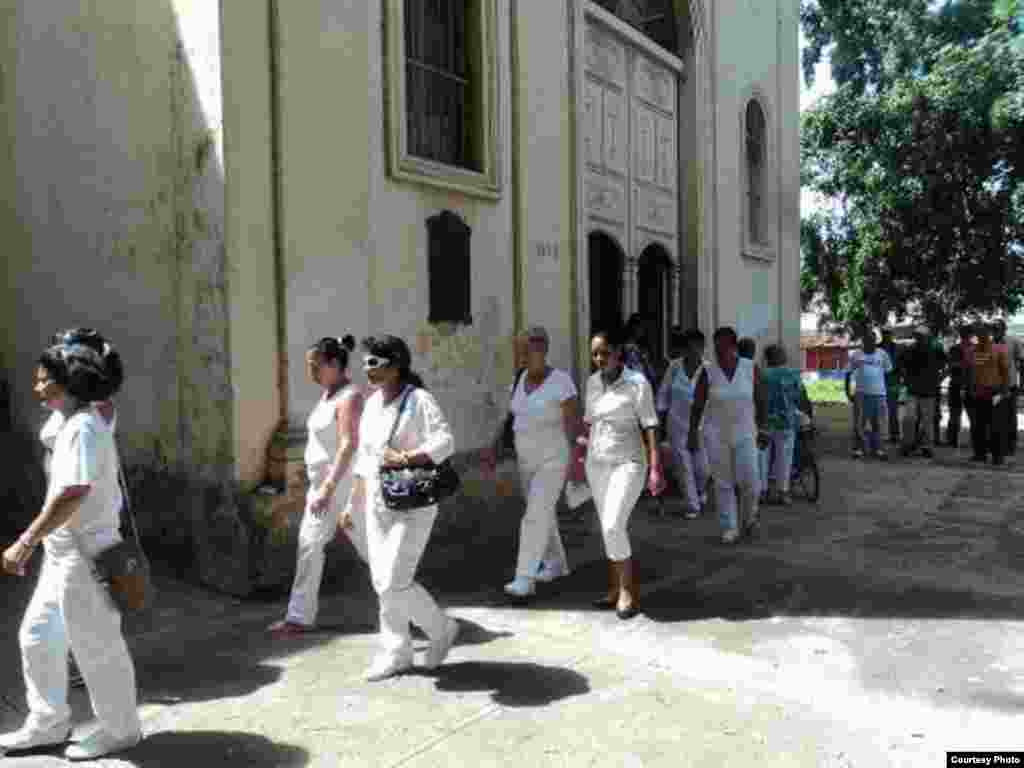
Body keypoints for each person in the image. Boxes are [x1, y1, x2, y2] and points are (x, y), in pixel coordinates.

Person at [1, 342, 142, 761]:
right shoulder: (73, 420)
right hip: (63, 553)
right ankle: (48, 724)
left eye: (45, 378)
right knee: (37, 637)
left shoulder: (83, 426)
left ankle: (122, 730)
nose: (37, 385)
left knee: (96, 647)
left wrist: (24, 542)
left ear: (68, 383)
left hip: (87, 556)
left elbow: (73, 492)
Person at [347, 335, 459, 680]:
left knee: (395, 579)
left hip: (413, 502)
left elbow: (444, 441)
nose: (368, 370)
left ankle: (440, 629)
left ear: (396, 366)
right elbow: (365, 458)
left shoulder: (418, 400)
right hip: (379, 502)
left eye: (375, 363)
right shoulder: (372, 405)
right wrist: (354, 502)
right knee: (382, 581)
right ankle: (397, 652)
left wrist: (407, 457)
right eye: (365, 363)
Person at [269, 336, 365, 636]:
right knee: (309, 547)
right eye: (309, 365)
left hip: (344, 487)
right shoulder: (327, 396)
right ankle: (299, 617)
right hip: (321, 488)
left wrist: (328, 487)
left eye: (315, 366)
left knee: (372, 550)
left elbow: (349, 444)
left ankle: (408, 605)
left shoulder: (350, 396)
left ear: (335, 364)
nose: (310, 371)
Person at [479, 326, 579, 599]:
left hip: (553, 460)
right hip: (527, 462)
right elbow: (511, 418)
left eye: (527, 351)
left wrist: (576, 462)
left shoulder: (561, 382)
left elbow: (573, 424)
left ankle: (525, 577)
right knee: (542, 512)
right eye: (519, 351)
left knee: (534, 515)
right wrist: (493, 447)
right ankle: (556, 563)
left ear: (542, 351)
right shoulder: (519, 379)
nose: (521, 356)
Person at [580, 327, 665, 619]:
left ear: (618, 353)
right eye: (595, 354)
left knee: (614, 524)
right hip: (596, 463)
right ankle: (615, 589)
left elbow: (650, 424)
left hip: (628, 462)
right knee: (607, 527)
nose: (599, 359)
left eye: (605, 352)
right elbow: (589, 424)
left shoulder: (637, 382)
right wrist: (578, 459)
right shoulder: (592, 383)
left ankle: (628, 589)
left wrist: (655, 468)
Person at [688, 327, 766, 544]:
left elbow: (761, 399)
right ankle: (729, 527)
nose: (718, 349)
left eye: (723, 345)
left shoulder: (750, 368)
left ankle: (749, 518)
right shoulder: (709, 372)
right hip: (716, 434)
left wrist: (764, 427)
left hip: (746, 432)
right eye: (716, 345)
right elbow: (697, 405)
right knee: (724, 483)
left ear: (733, 346)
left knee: (751, 481)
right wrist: (692, 433)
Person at [655, 329, 708, 519]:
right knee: (683, 466)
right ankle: (692, 505)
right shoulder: (674, 368)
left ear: (703, 348)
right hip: (676, 424)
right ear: (684, 350)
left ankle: (701, 491)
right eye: (690, 348)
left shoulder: (708, 369)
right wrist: (659, 420)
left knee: (703, 468)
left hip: (702, 426)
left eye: (698, 347)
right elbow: (663, 394)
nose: (694, 351)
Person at [758, 344, 804, 506]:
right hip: (786, 421)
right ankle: (782, 492)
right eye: (783, 353)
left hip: (765, 421)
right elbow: (799, 396)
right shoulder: (793, 374)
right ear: (779, 357)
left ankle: (762, 491)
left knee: (762, 457)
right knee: (784, 458)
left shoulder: (761, 375)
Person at [844, 327, 892, 460]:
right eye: (866, 340)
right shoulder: (856, 355)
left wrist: (887, 391)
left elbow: (888, 373)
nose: (869, 342)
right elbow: (848, 373)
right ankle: (858, 449)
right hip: (861, 394)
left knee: (879, 423)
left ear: (875, 341)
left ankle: (879, 449)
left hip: (879, 394)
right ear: (863, 341)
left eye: (872, 339)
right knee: (859, 423)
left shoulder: (882, 354)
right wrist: (847, 391)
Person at [967, 324, 1011, 465]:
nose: (981, 336)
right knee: (978, 425)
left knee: (996, 425)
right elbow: (972, 372)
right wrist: (972, 389)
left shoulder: (999, 349)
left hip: (995, 393)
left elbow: (1005, 371)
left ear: (989, 334)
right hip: (978, 393)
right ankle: (980, 454)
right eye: (979, 334)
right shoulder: (973, 351)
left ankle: (998, 456)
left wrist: (1004, 390)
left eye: (984, 333)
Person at [899, 326, 947, 459]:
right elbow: (901, 365)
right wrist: (906, 379)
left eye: (922, 336)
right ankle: (908, 444)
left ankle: (927, 447)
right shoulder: (909, 350)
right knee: (909, 418)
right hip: (913, 391)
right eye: (917, 336)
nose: (919, 338)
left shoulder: (936, 350)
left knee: (927, 421)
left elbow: (946, 365)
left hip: (928, 391)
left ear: (927, 337)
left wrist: (938, 379)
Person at [993, 319, 1022, 456]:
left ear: (1004, 329)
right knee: (996, 417)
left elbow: (1022, 363)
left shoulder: (1014, 342)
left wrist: (1021, 384)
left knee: (1010, 416)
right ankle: (997, 445)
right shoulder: (989, 344)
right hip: (993, 386)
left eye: (998, 329)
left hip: (1010, 385)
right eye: (993, 329)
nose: (995, 332)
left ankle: (1010, 446)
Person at [945, 326, 973, 447]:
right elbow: (951, 366)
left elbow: (952, 366)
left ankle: (954, 441)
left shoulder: (973, 348)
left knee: (971, 414)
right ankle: (952, 440)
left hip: (967, 385)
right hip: (959, 384)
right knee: (955, 414)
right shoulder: (956, 349)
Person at [622, 312, 659, 388]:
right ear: (632, 327)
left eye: (642, 327)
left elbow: (650, 371)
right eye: (639, 327)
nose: (641, 330)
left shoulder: (642, 347)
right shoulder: (626, 348)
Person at [880, 328, 902, 443]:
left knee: (893, 409)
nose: (886, 336)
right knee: (880, 410)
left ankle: (895, 435)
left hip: (893, 382)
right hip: (879, 382)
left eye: (888, 334)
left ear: (891, 335)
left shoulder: (897, 348)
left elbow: (901, 365)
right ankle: (881, 435)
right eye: (884, 334)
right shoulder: (877, 348)